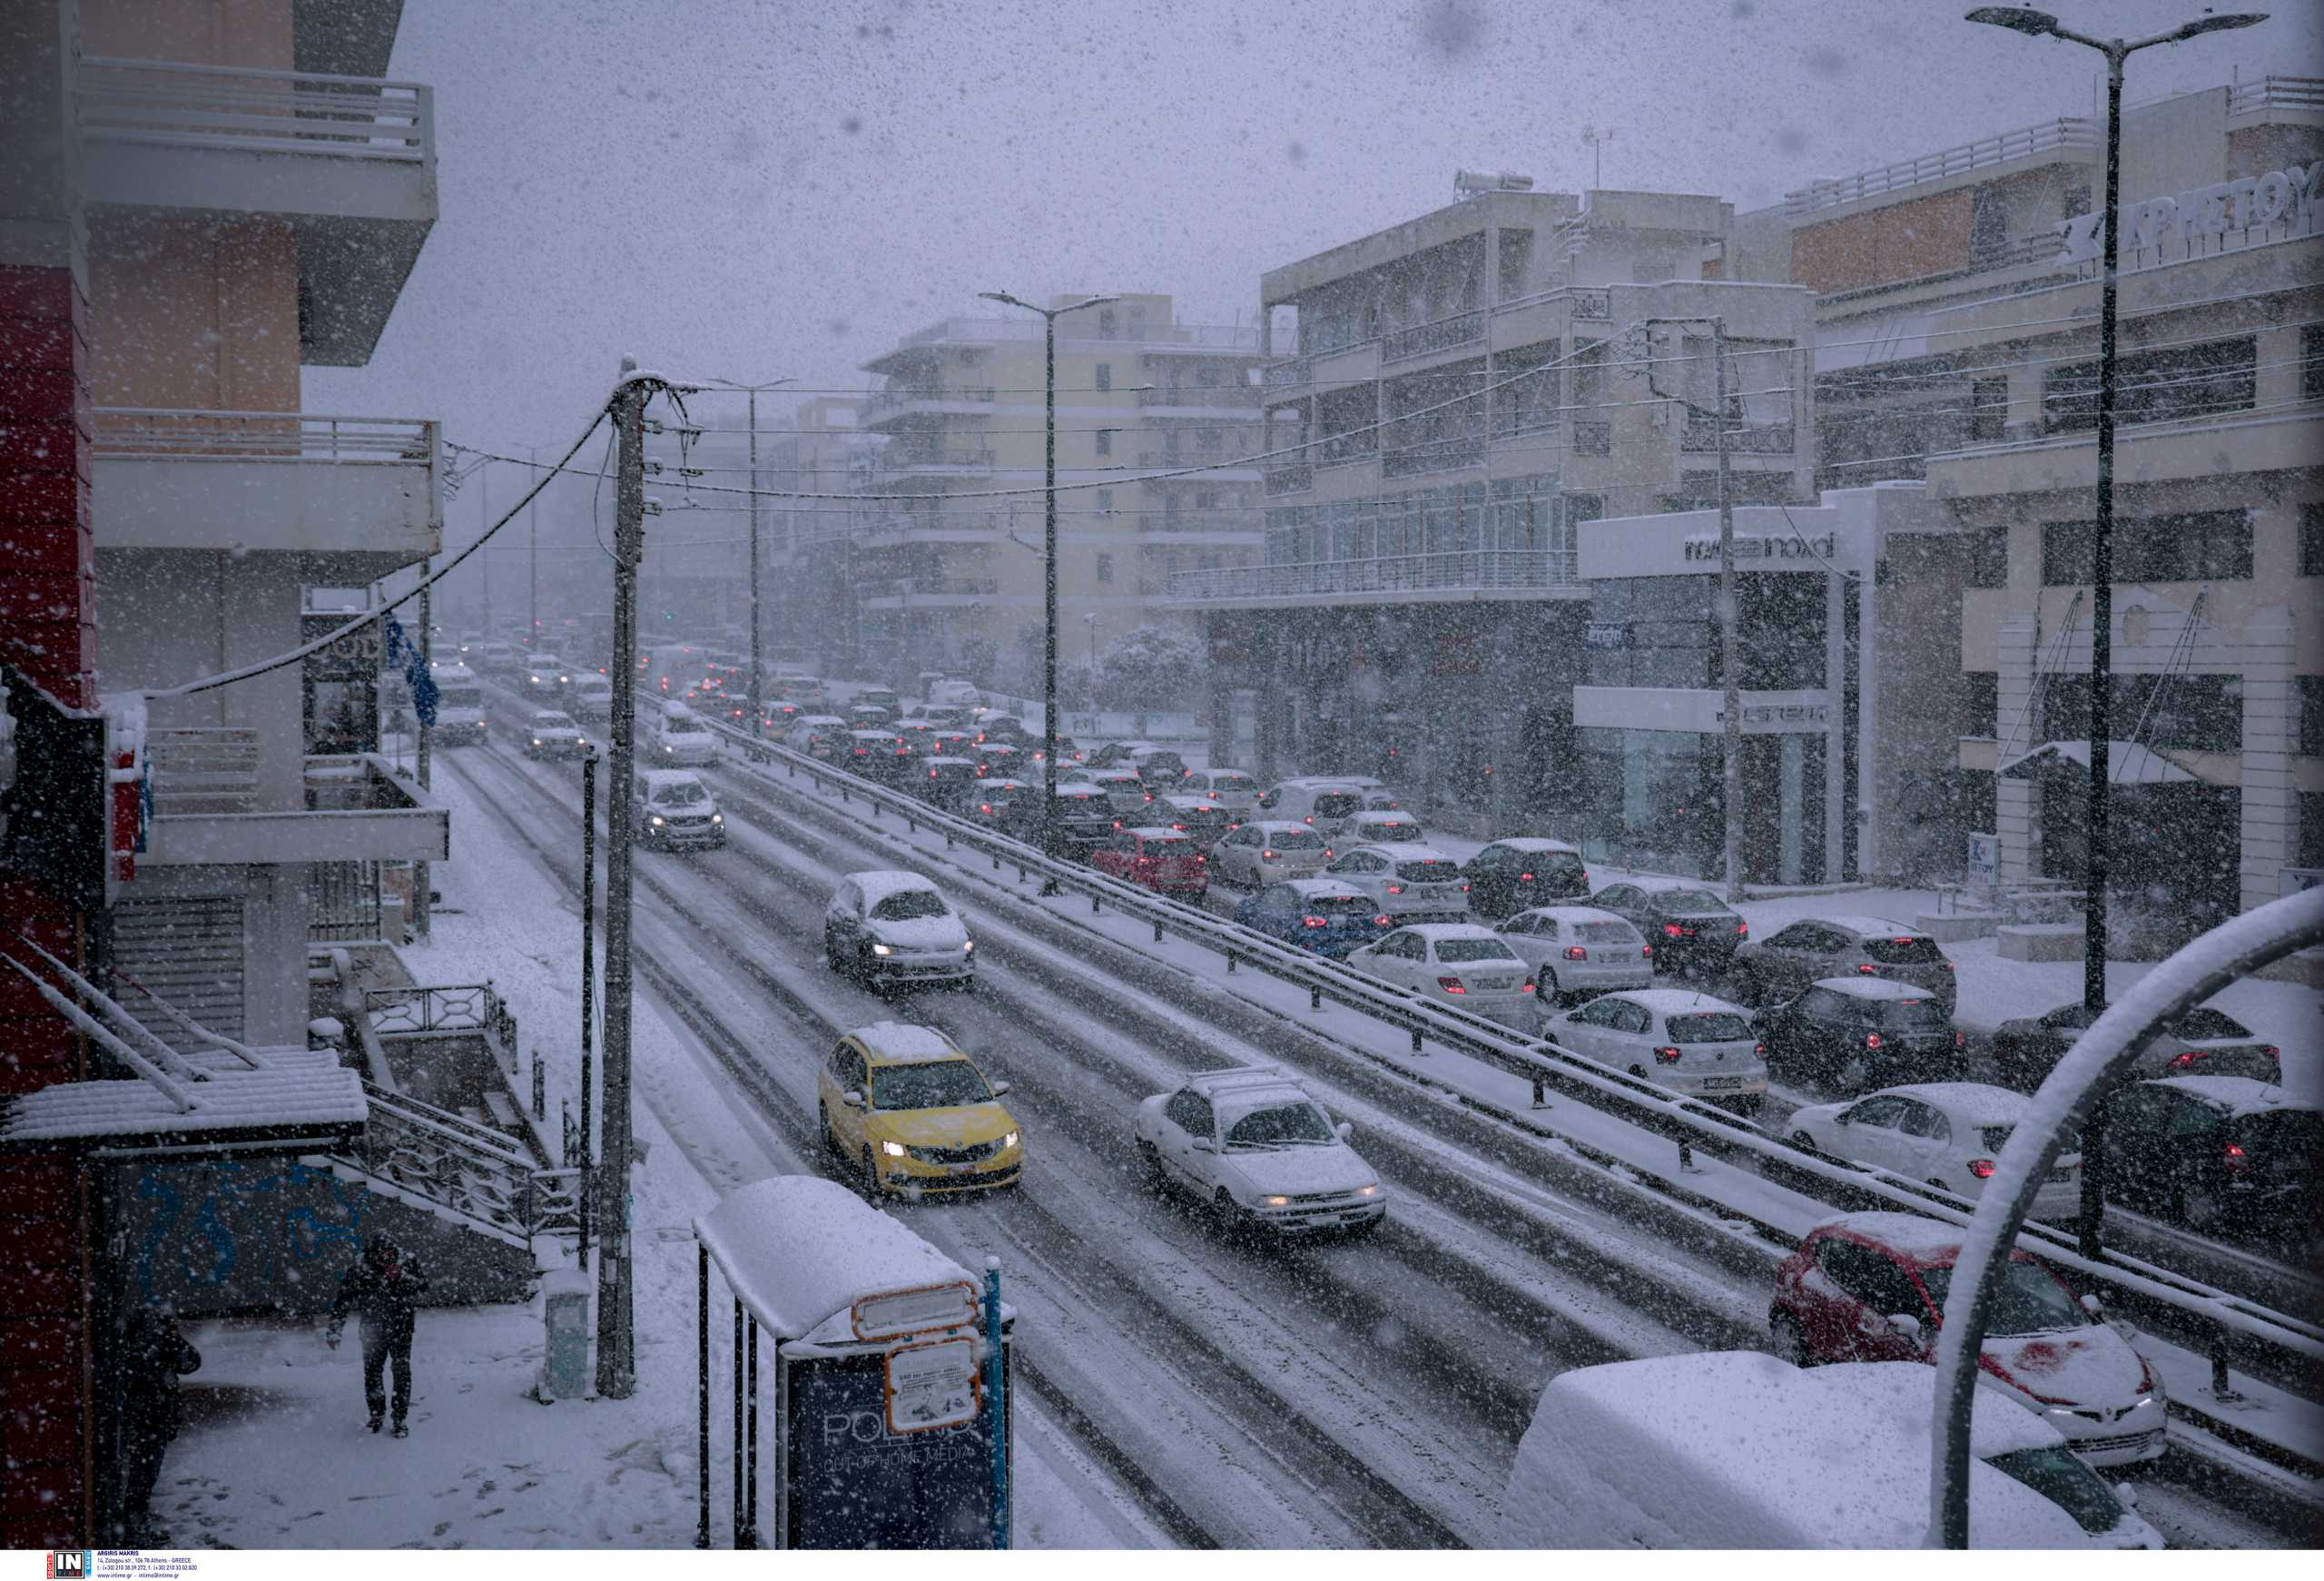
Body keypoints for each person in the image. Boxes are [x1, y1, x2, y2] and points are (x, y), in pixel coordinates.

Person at [327, 1232, 430, 1438]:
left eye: (390, 1252)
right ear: (372, 1254)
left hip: (402, 1326)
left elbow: (423, 1286)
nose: (387, 1257)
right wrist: (334, 1329)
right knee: (373, 1372)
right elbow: (344, 1299)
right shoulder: (360, 1269)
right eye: (382, 1254)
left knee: (401, 1372)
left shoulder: (407, 1262)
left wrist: (402, 1276)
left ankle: (400, 1419)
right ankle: (376, 1415)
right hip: (372, 1330)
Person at [117, 1304, 201, 1543]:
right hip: (150, 1421)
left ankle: (133, 1530)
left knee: (138, 1480)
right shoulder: (159, 1343)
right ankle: (135, 1533)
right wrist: (171, 1340)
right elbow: (191, 1363)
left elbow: (190, 1363)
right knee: (142, 1481)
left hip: (144, 1420)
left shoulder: (136, 1342)